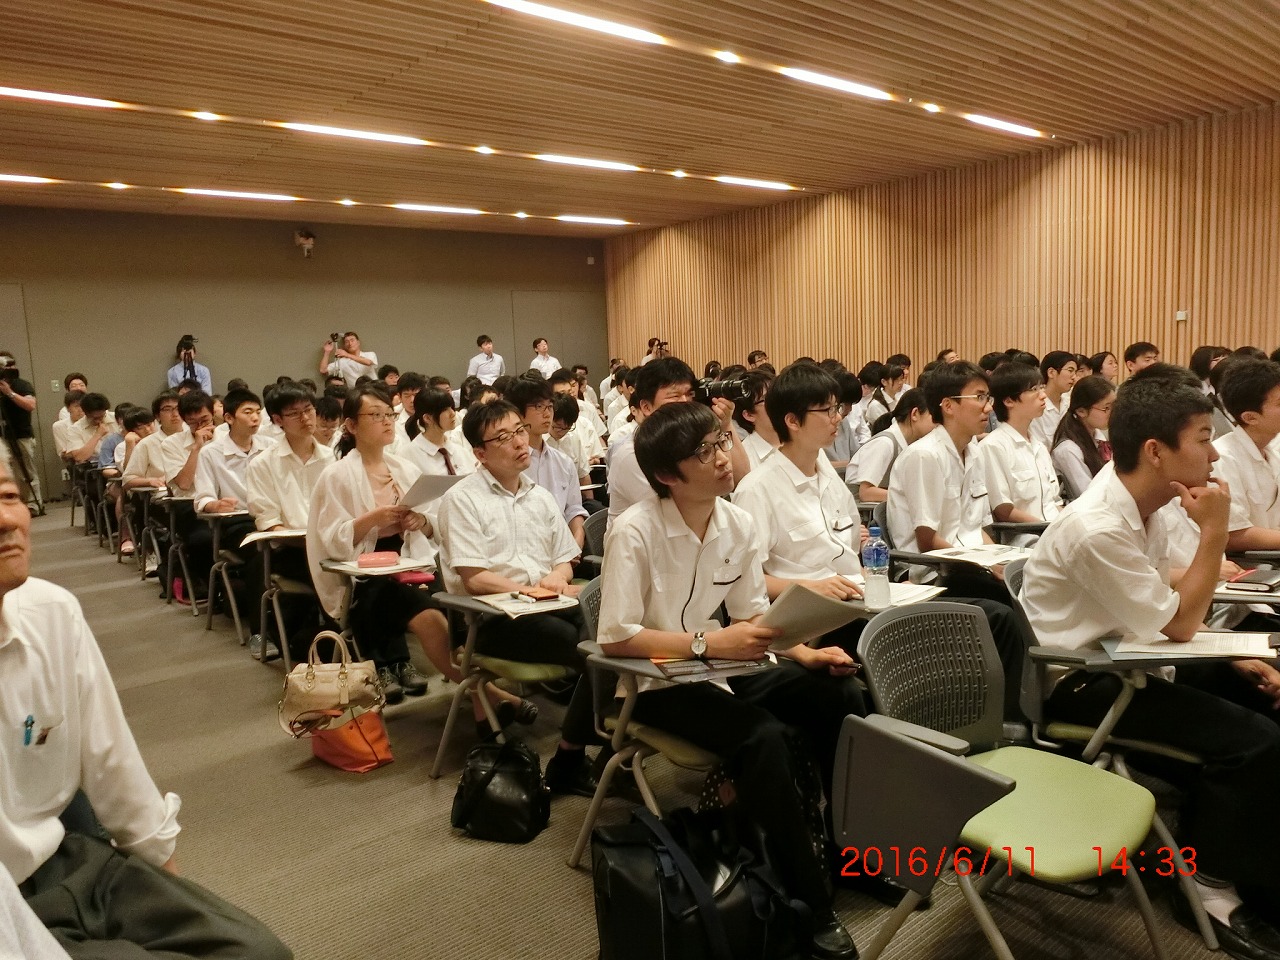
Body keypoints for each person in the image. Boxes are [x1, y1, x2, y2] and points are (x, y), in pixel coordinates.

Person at [1019, 372, 1280, 957]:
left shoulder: (1150, 502)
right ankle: (1210, 885)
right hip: (1078, 681)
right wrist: (1215, 529)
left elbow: (1172, 602)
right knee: (1252, 742)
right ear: (1157, 452)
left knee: (1264, 696)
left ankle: (1256, 855)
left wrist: (1232, 651)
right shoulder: (1097, 526)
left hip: (1135, 654)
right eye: (1204, 439)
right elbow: (1178, 621)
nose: (1215, 454)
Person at [0, 459, 291, 959]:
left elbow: (111, 760)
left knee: (258, 952)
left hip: (68, 862)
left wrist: (169, 887)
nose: (8, 519)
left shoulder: (52, 613)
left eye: (7, 497)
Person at [600, 402, 859, 960]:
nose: (724, 458)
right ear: (669, 475)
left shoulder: (737, 523)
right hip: (655, 684)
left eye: (722, 442)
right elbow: (617, 638)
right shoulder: (635, 529)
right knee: (762, 736)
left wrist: (804, 652)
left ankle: (840, 847)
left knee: (837, 691)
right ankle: (810, 899)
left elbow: (752, 618)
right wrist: (704, 643)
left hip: (720, 671)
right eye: (706, 452)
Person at [436, 400, 598, 795]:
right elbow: (474, 578)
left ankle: (592, 751)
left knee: (610, 632)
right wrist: (525, 589)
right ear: (480, 453)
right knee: (594, 652)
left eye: (519, 431)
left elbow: (564, 559)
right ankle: (574, 759)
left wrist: (558, 579)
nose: (519, 442)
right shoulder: (462, 499)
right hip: (492, 620)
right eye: (503, 437)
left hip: (547, 604)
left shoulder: (538, 496)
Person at [306, 384, 445, 704]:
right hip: (361, 562)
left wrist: (419, 522)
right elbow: (330, 538)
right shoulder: (337, 475)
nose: (386, 421)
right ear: (351, 425)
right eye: (376, 415)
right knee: (375, 587)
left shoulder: (405, 469)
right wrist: (373, 519)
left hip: (406, 557)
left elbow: (431, 522)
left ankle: (387, 663)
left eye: (390, 415)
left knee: (391, 586)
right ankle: (391, 663)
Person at [732, 363, 871, 655]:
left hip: (852, 603)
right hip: (805, 621)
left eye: (838, 409)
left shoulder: (827, 474)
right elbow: (748, 580)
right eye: (827, 411)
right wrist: (809, 586)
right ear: (793, 421)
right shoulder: (757, 488)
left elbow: (848, 554)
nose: (838, 419)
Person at [605, 357, 749, 528]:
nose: (686, 403)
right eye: (674, 396)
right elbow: (676, 511)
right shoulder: (631, 452)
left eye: (690, 395)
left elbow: (742, 480)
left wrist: (725, 423)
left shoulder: (697, 439)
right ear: (646, 407)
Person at [976, 362, 1062, 534]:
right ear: (1009, 401)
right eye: (1033, 389)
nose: (1043, 395)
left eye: (1042, 387)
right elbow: (1004, 510)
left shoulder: (1039, 446)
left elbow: (1055, 502)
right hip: (1026, 537)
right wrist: (1050, 530)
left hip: (1054, 532)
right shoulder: (993, 446)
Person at [505, 377, 587, 550]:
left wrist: (577, 543)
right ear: (518, 413)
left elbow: (573, 509)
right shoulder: (508, 465)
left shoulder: (563, 462)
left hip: (563, 550)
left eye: (549, 406)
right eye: (538, 407)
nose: (547, 413)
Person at [1212, 358, 1280, 551]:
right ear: (1250, 417)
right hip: (1250, 564)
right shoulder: (1223, 457)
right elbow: (1235, 535)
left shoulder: (1272, 452)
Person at [844, 388, 932, 502]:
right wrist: (911, 496)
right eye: (933, 416)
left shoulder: (910, 444)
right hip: (863, 512)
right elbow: (866, 493)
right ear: (915, 414)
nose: (938, 422)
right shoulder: (884, 443)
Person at [1051, 375, 1115, 500]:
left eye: (1114, 406)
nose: (1113, 412)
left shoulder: (1098, 436)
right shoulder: (1068, 450)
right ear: (1081, 411)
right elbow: (1087, 495)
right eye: (1106, 408)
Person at [0, 352, 41, 513]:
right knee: (6, 473)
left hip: (21, 434)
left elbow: (30, 405)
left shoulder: (22, 385)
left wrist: (9, 393)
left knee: (27, 472)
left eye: (11, 366)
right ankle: (9, 504)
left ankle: (33, 504)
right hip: (2, 438)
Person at [1028, 350, 1078, 449]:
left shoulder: (1071, 404)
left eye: (1075, 372)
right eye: (1070, 370)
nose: (1074, 377)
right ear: (1051, 372)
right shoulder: (1036, 406)